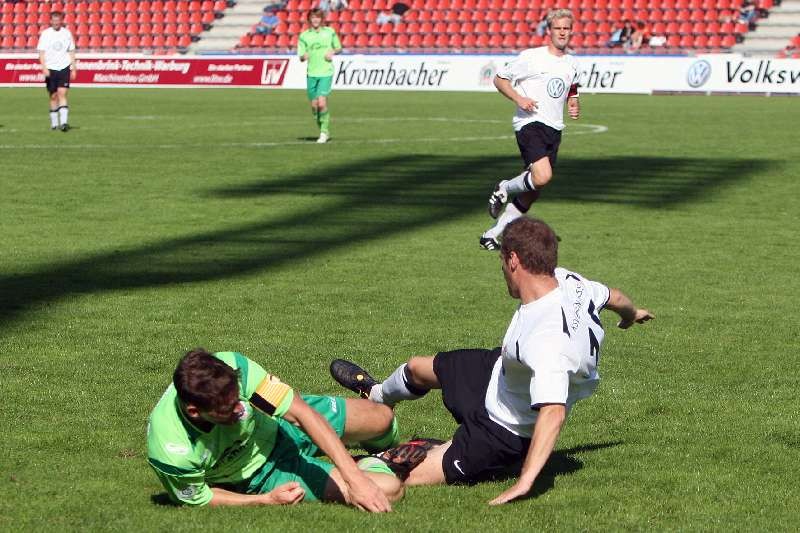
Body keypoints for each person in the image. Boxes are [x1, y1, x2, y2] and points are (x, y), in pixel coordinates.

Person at [331, 217, 654, 503]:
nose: (501, 269)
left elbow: (553, 412)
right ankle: (376, 398)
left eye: (501, 260)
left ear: (513, 260)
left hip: (504, 431)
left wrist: (526, 481)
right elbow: (614, 296)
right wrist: (632, 314)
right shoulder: (571, 282)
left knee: (405, 475)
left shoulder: (548, 341)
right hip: (501, 370)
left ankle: (336, 465)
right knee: (417, 368)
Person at [147, 348, 404, 511]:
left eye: (239, 399)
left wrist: (354, 479)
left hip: (280, 425)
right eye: (228, 409)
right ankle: (374, 462)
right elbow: (201, 498)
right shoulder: (171, 450)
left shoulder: (231, 365)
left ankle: (380, 452)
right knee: (389, 489)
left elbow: (301, 414)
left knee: (382, 418)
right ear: (195, 411)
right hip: (263, 475)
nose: (240, 409)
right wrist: (265, 500)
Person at [479, 9, 580, 251]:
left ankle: (491, 235)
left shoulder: (572, 62)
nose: (562, 32)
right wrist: (519, 99)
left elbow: (572, 87)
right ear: (549, 31)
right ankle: (504, 187)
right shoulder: (532, 57)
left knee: (533, 190)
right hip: (530, 123)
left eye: (566, 28)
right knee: (542, 176)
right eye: (558, 28)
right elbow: (500, 79)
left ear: (571, 31)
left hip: (554, 128)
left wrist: (573, 102)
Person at [297, 8, 342, 144]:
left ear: (322, 19)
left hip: (326, 72)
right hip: (312, 73)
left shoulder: (330, 32)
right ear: (309, 19)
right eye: (313, 17)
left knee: (322, 103)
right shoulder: (304, 36)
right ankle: (323, 130)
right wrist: (304, 56)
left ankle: (324, 132)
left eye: (318, 17)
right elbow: (301, 56)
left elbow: (339, 48)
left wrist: (332, 52)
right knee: (315, 106)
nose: (315, 19)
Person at [37, 11, 76, 132]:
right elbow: (41, 52)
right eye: (54, 20)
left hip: (64, 67)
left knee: (62, 94)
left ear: (61, 21)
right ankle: (54, 124)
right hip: (51, 68)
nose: (56, 23)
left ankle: (64, 123)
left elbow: (71, 51)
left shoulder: (67, 33)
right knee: (53, 96)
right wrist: (44, 67)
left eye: (58, 20)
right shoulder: (46, 34)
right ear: (51, 21)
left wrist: (74, 67)